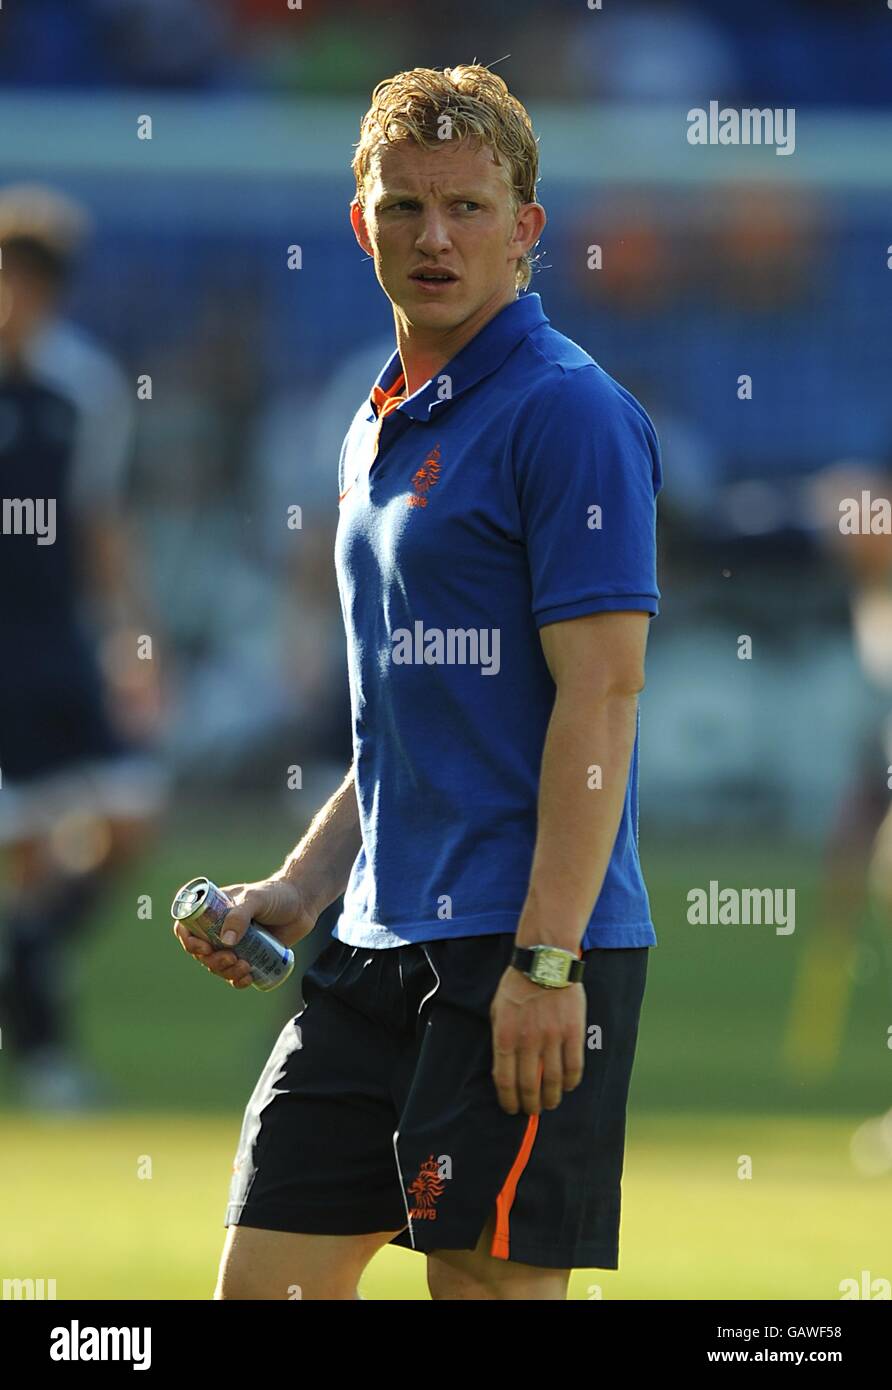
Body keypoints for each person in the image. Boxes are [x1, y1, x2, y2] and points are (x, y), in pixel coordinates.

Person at [175, 64, 662, 1301]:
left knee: (485, 1292)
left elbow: (599, 701)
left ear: (526, 229)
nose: (433, 236)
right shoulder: (377, 419)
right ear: (362, 224)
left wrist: (550, 963)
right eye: (403, 206)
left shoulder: (569, 414)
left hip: (522, 942)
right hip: (369, 940)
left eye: (467, 207)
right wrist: (299, 882)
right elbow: (406, 718)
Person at [0, 185, 165, 1109]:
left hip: (56, 644)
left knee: (129, 816)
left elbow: (101, 527)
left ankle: (23, 970)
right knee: (26, 846)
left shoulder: (84, 389)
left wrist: (138, 642)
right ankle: (47, 1057)